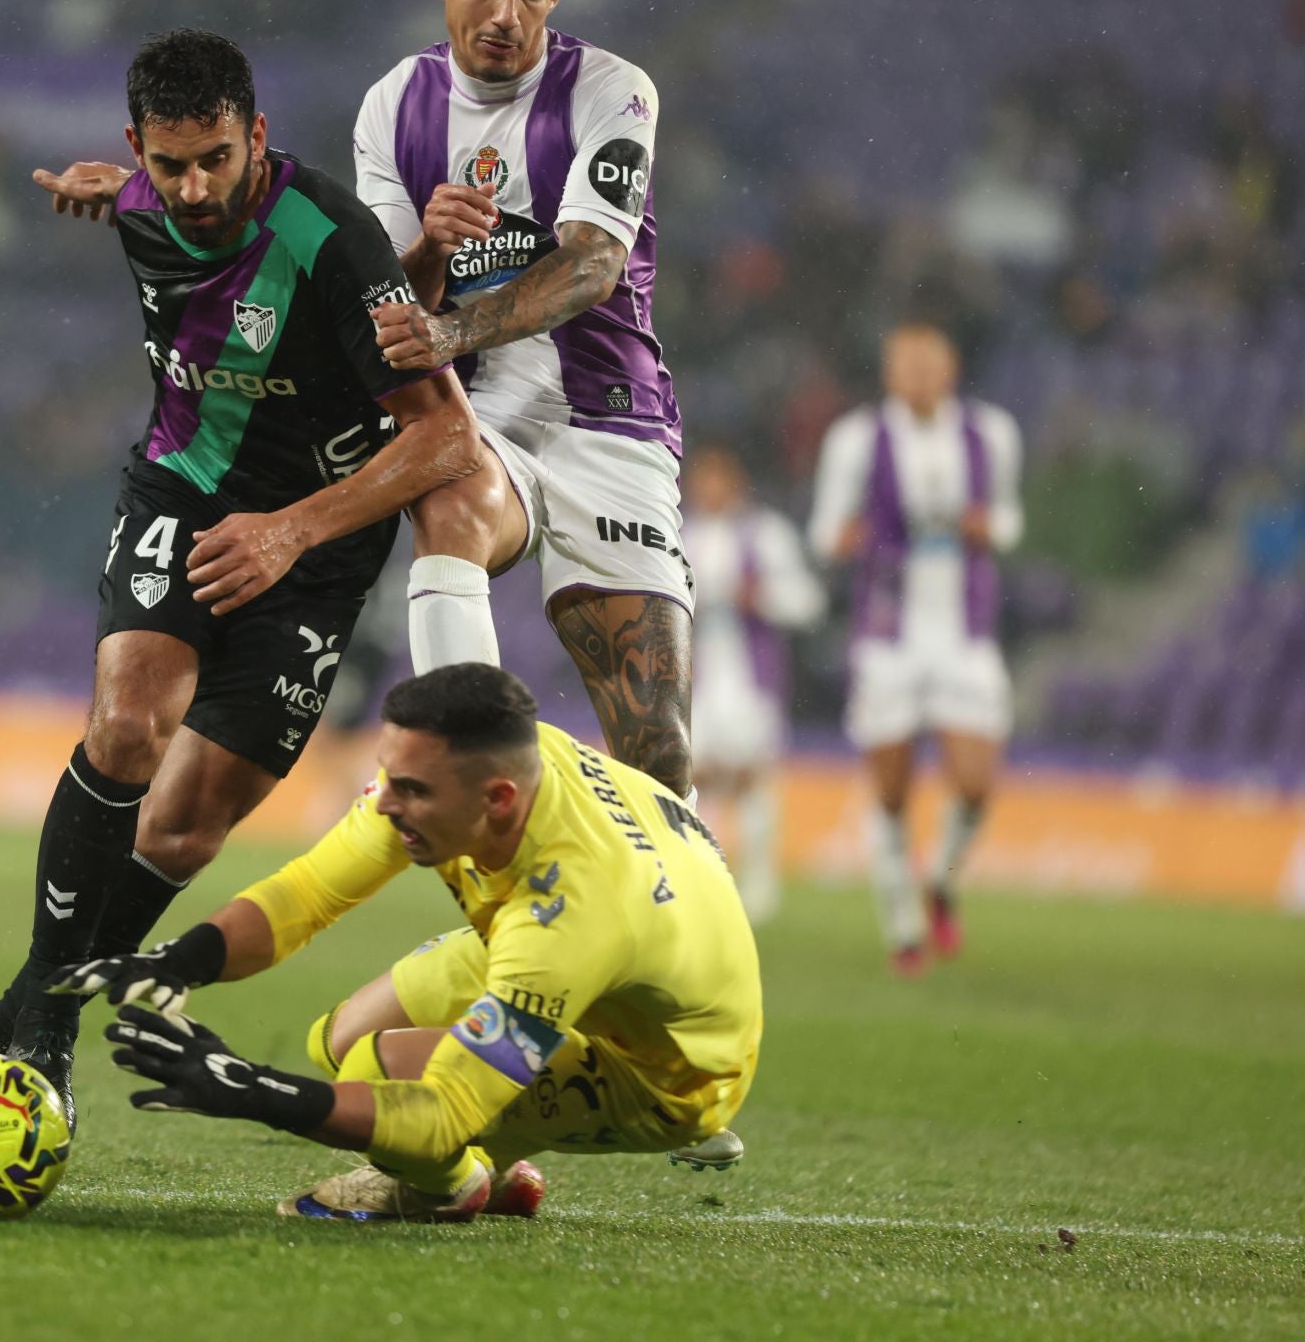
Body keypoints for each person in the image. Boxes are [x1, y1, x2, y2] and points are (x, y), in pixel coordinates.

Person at [0, 29, 482, 1165]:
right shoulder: (142, 200)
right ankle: (46, 1037)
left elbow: (447, 436)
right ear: (136, 148)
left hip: (317, 543)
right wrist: (110, 192)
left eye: (216, 160)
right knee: (128, 726)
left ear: (258, 136)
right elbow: (130, 196)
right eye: (170, 164)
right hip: (185, 490)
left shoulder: (333, 237)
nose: (194, 189)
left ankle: (9, 1023)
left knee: (189, 825)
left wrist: (291, 530)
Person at [54, 663, 762, 1222]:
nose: (386, 803)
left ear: (498, 802)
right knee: (341, 1039)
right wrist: (187, 958)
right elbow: (310, 892)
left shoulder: (570, 916)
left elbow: (444, 1111)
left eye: (412, 790)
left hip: (668, 1067)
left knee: (383, 1075)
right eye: (388, 774)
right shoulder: (491, 766)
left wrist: (255, 1090)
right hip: (607, 961)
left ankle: (447, 1188)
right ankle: (493, 1169)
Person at [355, 0, 695, 797]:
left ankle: (665, 889)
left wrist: (451, 328)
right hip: (482, 418)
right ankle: (470, 778)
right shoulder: (394, 103)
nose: (507, 14)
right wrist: (432, 246)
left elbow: (591, 267)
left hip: (611, 418)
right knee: (450, 495)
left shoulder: (612, 91)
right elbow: (393, 307)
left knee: (658, 751)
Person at [807, 323, 1023, 973]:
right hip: (889, 636)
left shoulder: (991, 433)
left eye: (930, 364)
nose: (919, 376)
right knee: (893, 793)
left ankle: (942, 881)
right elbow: (823, 533)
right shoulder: (855, 438)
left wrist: (988, 527)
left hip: (964, 633)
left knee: (976, 785)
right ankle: (903, 928)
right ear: (889, 373)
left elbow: (1009, 520)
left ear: (951, 370)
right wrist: (851, 538)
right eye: (907, 365)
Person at [680, 445, 824, 921]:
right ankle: (702, 875)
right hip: (696, 679)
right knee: (692, 776)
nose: (709, 490)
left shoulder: (766, 534)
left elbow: (808, 602)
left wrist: (761, 597)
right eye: (702, 480)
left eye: (717, 479)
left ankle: (761, 882)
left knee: (752, 776)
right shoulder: (680, 534)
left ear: (735, 483)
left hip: (751, 678)